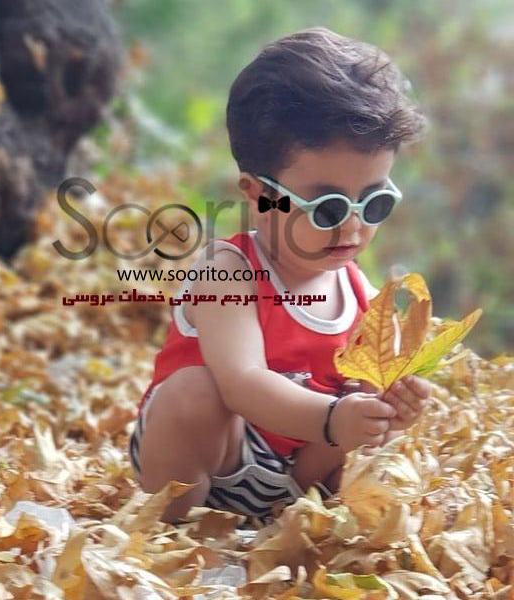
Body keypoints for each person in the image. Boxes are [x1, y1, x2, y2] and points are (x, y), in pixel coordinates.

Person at [128, 26, 432, 525]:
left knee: (369, 408)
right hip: (214, 456)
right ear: (258, 194)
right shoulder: (229, 270)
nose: (353, 226)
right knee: (194, 394)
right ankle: (176, 532)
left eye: (374, 202)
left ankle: (285, 530)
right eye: (328, 207)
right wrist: (334, 420)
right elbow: (242, 382)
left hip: (298, 477)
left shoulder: (363, 298)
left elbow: (362, 419)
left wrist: (389, 411)